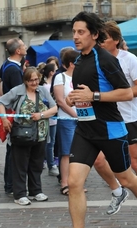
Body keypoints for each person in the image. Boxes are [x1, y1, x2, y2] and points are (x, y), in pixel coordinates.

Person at [57, 11, 137, 228]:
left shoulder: (105, 59)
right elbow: (85, 92)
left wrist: (93, 96)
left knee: (126, 178)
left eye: (81, 32)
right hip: (85, 130)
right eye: (74, 32)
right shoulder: (79, 61)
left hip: (110, 130)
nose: (76, 36)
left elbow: (133, 91)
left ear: (94, 34)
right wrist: (75, 98)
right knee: (74, 183)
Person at [94, 20, 137, 218]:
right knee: (98, 160)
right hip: (104, 119)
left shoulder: (128, 59)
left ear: (116, 40)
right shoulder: (93, 59)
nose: (100, 41)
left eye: (104, 37)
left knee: (136, 163)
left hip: (128, 117)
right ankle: (117, 191)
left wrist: (116, 94)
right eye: (98, 37)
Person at [0, 67, 57, 206]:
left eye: (36, 79)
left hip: (40, 133)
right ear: (25, 80)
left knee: (36, 164)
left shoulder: (43, 91)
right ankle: (20, 194)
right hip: (21, 134)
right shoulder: (18, 90)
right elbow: (1, 102)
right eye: (31, 80)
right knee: (20, 165)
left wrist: (41, 115)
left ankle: (36, 191)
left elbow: (54, 108)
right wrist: (4, 119)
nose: (34, 83)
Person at [0, 38, 26, 196]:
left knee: (11, 149)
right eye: (23, 45)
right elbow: (19, 93)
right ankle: (11, 185)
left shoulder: (6, 64)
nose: (25, 47)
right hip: (14, 113)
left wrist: (3, 97)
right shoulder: (13, 69)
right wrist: (6, 99)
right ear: (18, 51)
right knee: (14, 150)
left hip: (9, 110)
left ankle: (10, 184)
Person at [53, 49, 79, 195]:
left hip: (81, 118)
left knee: (78, 152)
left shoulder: (80, 76)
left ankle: (75, 182)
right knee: (66, 152)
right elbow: (60, 101)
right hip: (67, 119)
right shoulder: (60, 78)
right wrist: (75, 114)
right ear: (71, 64)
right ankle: (65, 182)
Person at [39, 62, 59, 176]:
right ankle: (50, 164)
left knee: (51, 142)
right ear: (52, 73)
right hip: (48, 117)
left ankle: (48, 162)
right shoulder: (46, 86)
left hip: (53, 117)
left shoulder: (52, 84)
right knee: (49, 142)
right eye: (56, 70)